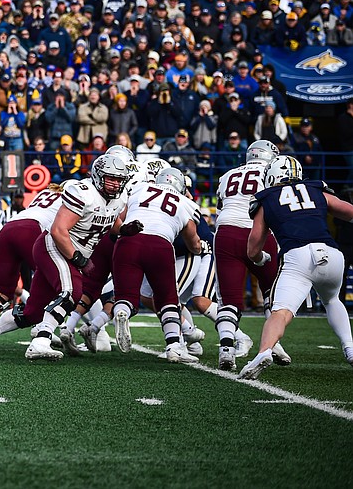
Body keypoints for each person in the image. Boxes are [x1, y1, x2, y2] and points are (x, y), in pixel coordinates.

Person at [0, 151, 132, 361]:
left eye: (119, 180)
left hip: (63, 248)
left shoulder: (119, 197)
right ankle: (41, 340)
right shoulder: (83, 193)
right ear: (98, 176)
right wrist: (78, 258)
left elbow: (111, 218)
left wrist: (123, 230)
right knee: (72, 290)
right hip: (53, 246)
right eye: (111, 179)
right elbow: (58, 231)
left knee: (33, 312)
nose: (115, 185)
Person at [239, 157, 353, 379]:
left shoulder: (266, 198)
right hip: (332, 254)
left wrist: (261, 258)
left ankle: (264, 352)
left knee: (280, 312)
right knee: (332, 300)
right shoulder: (316, 188)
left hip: (298, 256)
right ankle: (349, 348)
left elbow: (253, 248)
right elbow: (348, 211)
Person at [110, 168, 203, 363]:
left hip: (128, 242)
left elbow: (120, 218)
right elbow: (193, 242)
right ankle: (174, 346)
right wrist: (200, 247)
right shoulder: (186, 203)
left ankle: (122, 312)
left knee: (126, 296)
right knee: (167, 298)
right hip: (159, 244)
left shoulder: (140, 188)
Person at [213, 140, 290, 370]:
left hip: (226, 232)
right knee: (273, 292)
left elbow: (220, 209)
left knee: (230, 299)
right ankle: (273, 343)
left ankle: (226, 348)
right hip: (259, 231)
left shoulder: (228, 175)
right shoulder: (272, 172)